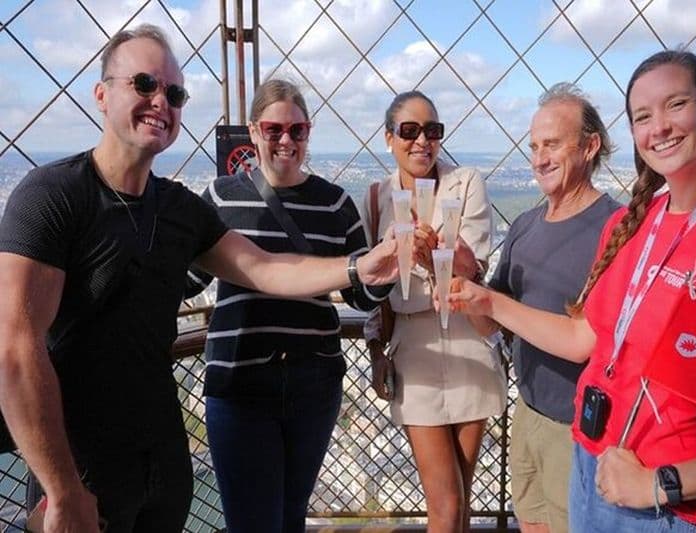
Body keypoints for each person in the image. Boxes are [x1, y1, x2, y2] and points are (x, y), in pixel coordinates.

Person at [0, 24, 396, 533]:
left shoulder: (182, 210)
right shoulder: (51, 196)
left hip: (162, 458)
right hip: (83, 463)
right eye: (144, 84)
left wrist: (358, 268)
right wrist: (60, 488)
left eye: (174, 93)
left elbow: (262, 268)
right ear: (101, 94)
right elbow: (15, 349)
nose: (160, 101)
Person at [444, 50, 696, 532]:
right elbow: (583, 338)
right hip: (592, 466)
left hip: (663, 505)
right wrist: (486, 300)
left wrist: (662, 484)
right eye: (643, 116)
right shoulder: (632, 226)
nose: (660, 127)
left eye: (676, 104)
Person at [185, 78, 392, 533]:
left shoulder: (335, 204)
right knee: (255, 521)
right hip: (241, 384)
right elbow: (189, 279)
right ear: (253, 132)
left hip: (312, 381)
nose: (286, 140)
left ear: (308, 132)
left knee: (290, 514)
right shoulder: (220, 198)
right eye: (273, 129)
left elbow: (361, 294)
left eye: (297, 130)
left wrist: (389, 271)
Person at [467, 83, 618, 533]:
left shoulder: (616, 229)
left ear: (590, 146)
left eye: (552, 144)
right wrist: (463, 284)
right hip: (529, 413)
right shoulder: (525, 225)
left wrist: (489, 300)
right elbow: (489, 326)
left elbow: (586, 340)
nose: (539, 159)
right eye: (534, 146)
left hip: (580, 429)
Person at [362, 90, 507, 533]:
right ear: (389, 137)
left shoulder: (465, 183)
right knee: (445, 502)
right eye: (409, 130)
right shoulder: (376, 197)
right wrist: (376, 351)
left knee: (460, 500)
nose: (422, 140)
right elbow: (372, 288)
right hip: (415, 348)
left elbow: (475, 268)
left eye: (432, 130)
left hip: (466, 339)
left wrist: (441, 254)